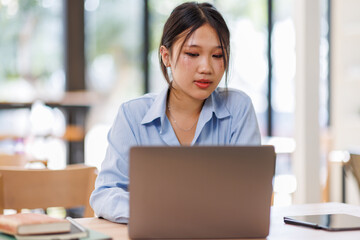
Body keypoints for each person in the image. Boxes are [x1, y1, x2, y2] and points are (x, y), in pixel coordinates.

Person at [90, 2, 261, 223]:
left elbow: (250, 195)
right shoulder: (132, 115)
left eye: (217, 56)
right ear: (166, 56)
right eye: (192, 53)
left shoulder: (238, 109)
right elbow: (106, 193)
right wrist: (162, 213)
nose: (206, 68)